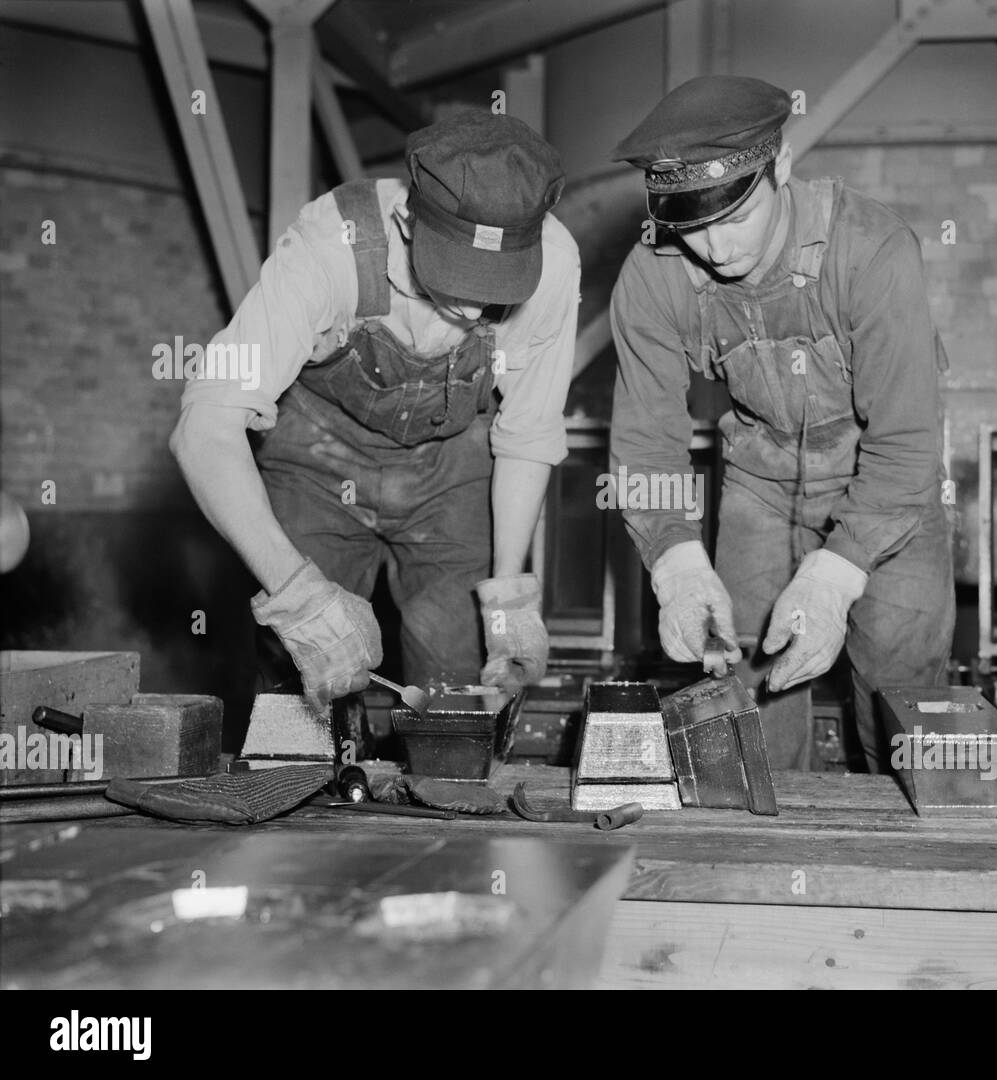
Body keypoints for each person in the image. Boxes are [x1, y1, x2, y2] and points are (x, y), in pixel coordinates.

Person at [170, 112, 580, 721]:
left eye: (497, 284)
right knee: (299, 687)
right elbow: (203, 431)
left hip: (451, 470)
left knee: (456, 699)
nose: (474, 304)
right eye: (457, 273)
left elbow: (525, 437)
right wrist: (297, 597)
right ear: (407, 223)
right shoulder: (328, 247)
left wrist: (510, 601)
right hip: (319, 460)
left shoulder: (552, 264)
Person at [608, 75, 954, 770]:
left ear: (783, 167)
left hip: (885, 486)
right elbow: (647, 442)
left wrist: (834, 578)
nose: (715, 249)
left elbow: (908, 445)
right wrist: (674, 562)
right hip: (759, 484)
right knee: (745, 709)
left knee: (901, 705)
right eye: (691, 225)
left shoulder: (872, 251)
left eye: (734, 218)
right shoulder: (654, 273)